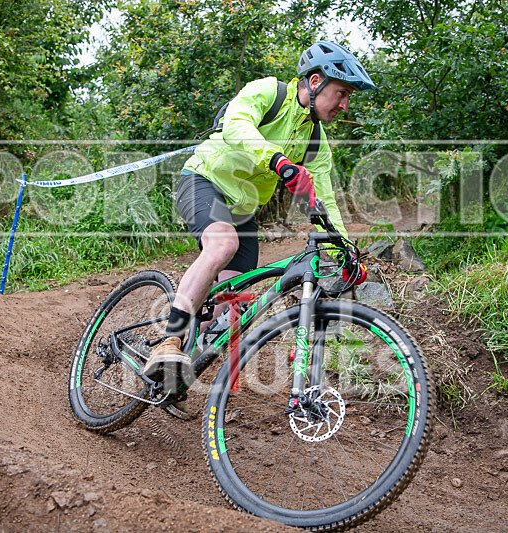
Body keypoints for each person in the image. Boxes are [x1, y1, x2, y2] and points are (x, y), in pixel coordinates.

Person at [143, 41, 375, 386]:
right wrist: (277, 160)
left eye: (348, 98)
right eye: (340, 94)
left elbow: (325, 199)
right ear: (314, 82)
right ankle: (168, 342)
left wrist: (343, 250)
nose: (344, 105)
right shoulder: (269, 92)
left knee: (229, 299)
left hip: (243, 211)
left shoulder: (316, 142)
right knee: (222, 246)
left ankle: (171, 374)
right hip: (204, 180)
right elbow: (237, 126)